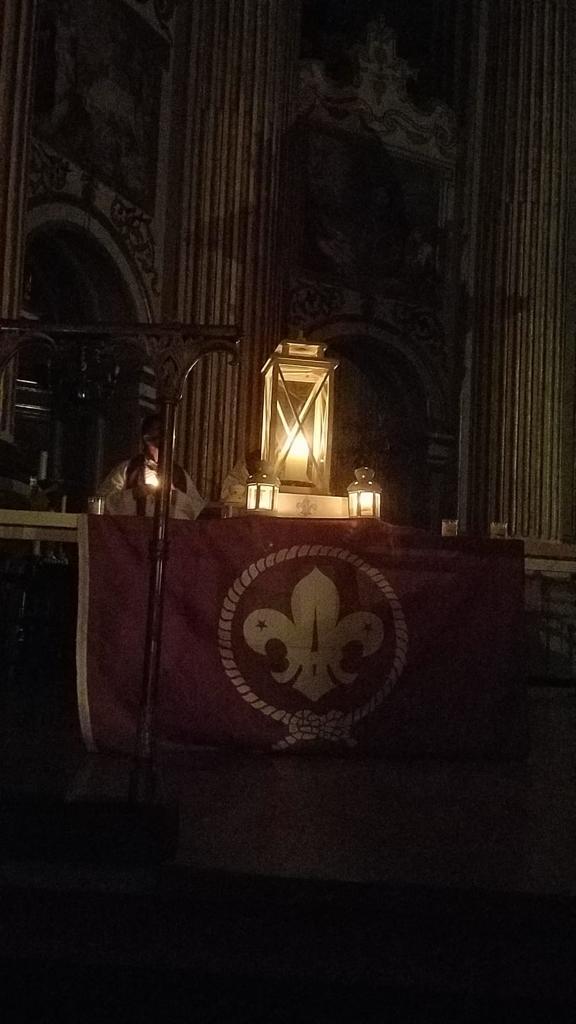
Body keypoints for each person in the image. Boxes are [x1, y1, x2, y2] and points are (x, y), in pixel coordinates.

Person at [98, 413, 205, 520]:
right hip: (134, 529)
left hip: (172, 529)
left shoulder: (180, 474)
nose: (158, 446)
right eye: (153, 439)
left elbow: (198, 509)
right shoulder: (127, 469)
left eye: (162, 439)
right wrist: (134, 494)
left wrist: (175, 495)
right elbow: (102, 504)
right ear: (145, 440)